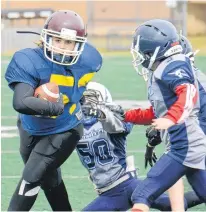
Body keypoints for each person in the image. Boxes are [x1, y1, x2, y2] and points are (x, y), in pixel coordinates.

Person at [5, 10, 102, 211]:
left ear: (78, 44)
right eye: (58, 41)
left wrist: (76, 98)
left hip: (65, 127)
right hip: (29, 125)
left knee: (31, 176)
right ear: (46, 38)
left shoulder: (89, 60)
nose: (63, 48)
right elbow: (21, 102)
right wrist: (53, 106)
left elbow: (78, 88)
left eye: (69, 43)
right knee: (48, 177)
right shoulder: (29, 60)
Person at [114, 19, 206, 211]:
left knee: (142, 194)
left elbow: (188, 92)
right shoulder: (165, 70)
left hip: (187, 146)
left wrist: (171, 118)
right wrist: (127, 115)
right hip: (187, 146)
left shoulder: (172, 66)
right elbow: (157, 112)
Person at [77, 81, 203, 211]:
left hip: (127, 184)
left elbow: (119, 125)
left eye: (91, 99)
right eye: (84, 100)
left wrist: (102, 114)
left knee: (174, 203)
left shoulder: (115, 119)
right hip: (108, 193)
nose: (87, 104)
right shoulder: (75, 125)